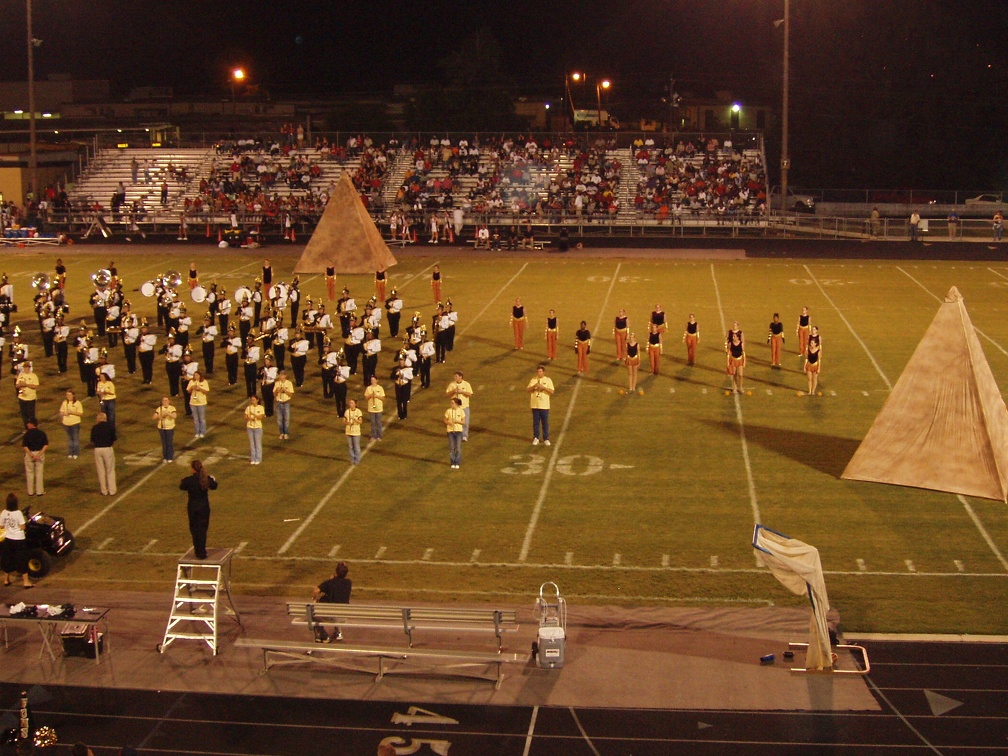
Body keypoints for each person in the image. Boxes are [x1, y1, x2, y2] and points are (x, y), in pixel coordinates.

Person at [179, 460, 217, 560]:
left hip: (192, 507)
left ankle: (198, 551)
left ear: (192, 469)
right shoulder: (205, 479)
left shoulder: (189, 480)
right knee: (202, 530)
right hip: (204, 507)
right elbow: (214, 486)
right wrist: (212, 479)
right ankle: (202, 551)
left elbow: (182, 486)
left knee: (194, 530)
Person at [311, 561, 351, 643]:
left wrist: (315, 599)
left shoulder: (330, 583)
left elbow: (316, 591)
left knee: (313, 615)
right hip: (344, 616)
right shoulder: (349, 583)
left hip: (332, 616)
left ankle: (324, 636)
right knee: (338, 607)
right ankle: (338, 632)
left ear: (336, 572)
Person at [1, 494, 32, 588]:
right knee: (22, 559)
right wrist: (17, 527)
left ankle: (6, 580)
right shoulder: (18, 513)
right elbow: (23, 526)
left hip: (8, 539)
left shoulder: (3, 512)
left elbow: (1, 526)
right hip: (19, 539)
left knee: (7, 558)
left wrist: (9, 527)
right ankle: (26, 582)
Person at [90, 412, 117, 497]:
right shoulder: (110, 427)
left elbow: (92, 439)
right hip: (107, 449)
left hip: (97, 449)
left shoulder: (94, 428)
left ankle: (104, 490)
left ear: (98, 419)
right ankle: (112, 490)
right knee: (110, 470)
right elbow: (114, 438)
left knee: (100, 471)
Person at [527, 364, 554, 446]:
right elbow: (528, 389)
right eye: (538, 371)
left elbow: (552, 391)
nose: (539, 373)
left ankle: (546, 438)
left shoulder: (548, 380)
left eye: (540, 371)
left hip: (544, 405)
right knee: (536, 422)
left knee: (545, 422)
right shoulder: (533, 380)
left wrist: (543, 388)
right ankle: (536, 437)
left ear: (543, 372)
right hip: (535, 405)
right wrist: (535, 386)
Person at [446, 371, 474, 441]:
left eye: (456, 376)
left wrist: (462, 392)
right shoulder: (452, 384)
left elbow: (470, 394)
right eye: (454, 376)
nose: (455, 377)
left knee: (465, 422)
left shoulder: (466, 384)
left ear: (460, 377)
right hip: (455, 407)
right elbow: (447, 394)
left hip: (464, 406)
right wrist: (454, 391)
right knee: (454, 422)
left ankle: (464, 436)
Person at [22, 421, 47, 496]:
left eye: (28, 423)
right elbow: (45, 445)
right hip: (39, 453)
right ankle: (39, 491)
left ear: (32, 424)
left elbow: (25, 446)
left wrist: (32, 455)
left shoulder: (27, 434)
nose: (27, 424)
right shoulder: (42, 433)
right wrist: (39, 455)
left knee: (29, 473)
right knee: (39, 473)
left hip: (30, 454)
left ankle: (30, 492)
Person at [60, 389, 83, 459]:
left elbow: (80, 413)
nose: (68, 396)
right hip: (66, 423)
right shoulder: (64, 403)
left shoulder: (77, 403)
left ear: (73, 395)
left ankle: (76, 453)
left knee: (75, 438)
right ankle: (70, 452)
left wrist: (72, 412)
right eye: (67, 395)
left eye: (69, 395)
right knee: (69, 439)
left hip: (75, 423)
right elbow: (61, 412)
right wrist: (64, 413)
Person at [15, 361, 39, 428]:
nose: (25, 369)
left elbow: (36, 386)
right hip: (22, 397)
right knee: (24, 414)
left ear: (29, 368)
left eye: (27, 367)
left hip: (30, 398)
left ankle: (33, 427)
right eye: (24, 367)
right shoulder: (21, 375)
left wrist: (26, 385)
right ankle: (26, 428)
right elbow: (16, 385)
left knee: (31, 415)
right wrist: (20, 384)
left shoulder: (33, 376)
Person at [154, 396, 177, 463]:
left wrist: (168, 413)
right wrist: (160, 415)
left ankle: (170, 457)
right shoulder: (159, 408)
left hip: (169, 428)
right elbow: (154, 417)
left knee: (169, 442)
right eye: (163, 400)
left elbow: (174, 416)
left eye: (166, 400)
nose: (165, 402)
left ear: (169, 401)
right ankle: (165, 457)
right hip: (161, 428)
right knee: (164, 443)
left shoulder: (172, 408)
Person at [187, 370, 209, 439]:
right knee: (195, 419)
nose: (196, 376)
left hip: (201, 403)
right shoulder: (191, 382)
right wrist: (192, 388)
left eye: (197, 375)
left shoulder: (204, 382)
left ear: (200, 376)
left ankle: (202, 432)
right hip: (193, 402)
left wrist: (200, 388)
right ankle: (197, 432)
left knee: (202, 419)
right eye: (195, 375)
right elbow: (188, 391)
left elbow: (206, 391)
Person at [725, 321, 746, 394]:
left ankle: (740, 387)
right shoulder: (731, 343)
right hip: (733, 359)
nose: (733, 337)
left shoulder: (741, 343)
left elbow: (743, 353)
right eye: (733, 336)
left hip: (740, 360)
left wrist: (744, 362)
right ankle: (734, 388)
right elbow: (728, 353)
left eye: (734, 336)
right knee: (734, 374)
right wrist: (728, 363)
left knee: (740, 375)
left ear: (737, 337)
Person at [444, 397, 465, 469]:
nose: (451, 404)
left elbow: (463, 422)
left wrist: (456, 421)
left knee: (458, 448)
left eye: (452, 403)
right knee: (452, 448)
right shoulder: (448, 411)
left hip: (458, 431)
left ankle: (457, 462)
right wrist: (448, 422)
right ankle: (452, 462)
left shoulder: (461, 411)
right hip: (450, 431)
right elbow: (445, 420)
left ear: (456, 404)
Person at [274, 369, 294, 439]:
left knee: (286, 419)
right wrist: (277, 391)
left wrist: (285, 390)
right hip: (279, 403)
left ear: (285, 376)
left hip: (286, 403)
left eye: (282, 375)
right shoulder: (277, 383)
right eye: (280, 375)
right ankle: (281, 433)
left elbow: (291, 394)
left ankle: (286, 433)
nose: (281, 376)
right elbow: (274, 394)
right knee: (279, 419)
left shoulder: (289, 383)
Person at [245, 395, 264, 465]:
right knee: (252, 444)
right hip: (250, 427)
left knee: (258, 444)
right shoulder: (248, 408)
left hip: (258, 428)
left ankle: (258, 458)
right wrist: (248, 418)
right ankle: (253, 458)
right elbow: (245, 417)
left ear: (257, 400)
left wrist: (254, 415)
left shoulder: (261, 408)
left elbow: (261, 417)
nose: (252, 401)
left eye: (253, 400)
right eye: (251, 400)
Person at [364, 375, 384, 440]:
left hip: (378, 408)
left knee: (378, 422)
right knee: (372, 423)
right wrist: (370, 395)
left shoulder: (380, 388)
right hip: (371, 408)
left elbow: (383, 398)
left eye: (373, 380)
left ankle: (379, 435)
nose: (372, 381)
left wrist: (376, 396)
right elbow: (366, 398)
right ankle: (373, 435)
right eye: (371, 380)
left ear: (376, 380)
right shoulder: (368, 388)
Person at [343, 398, 363, 465]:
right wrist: (347, 423)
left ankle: (357, 460)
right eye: (350, 403)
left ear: (355, 404)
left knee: (356, 446)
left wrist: (355, 419)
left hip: (356, 432)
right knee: (350, 446)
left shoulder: (358, 411)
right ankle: (352, 459)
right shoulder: (347, 411)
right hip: (348, 431)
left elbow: (360, 421)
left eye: (352, 403)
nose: (350, 404)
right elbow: (343, 421)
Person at [804, 325, 822, 395]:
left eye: (812, 343)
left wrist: (819, 368)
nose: (810, 344)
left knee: (814, 379)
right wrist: (804, 366)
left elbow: (819, 360)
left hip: (815, 366)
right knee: (809, 379)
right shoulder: (808, 350)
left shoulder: (818, 350)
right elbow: (806, 359)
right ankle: (809, 391)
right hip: (809, 365)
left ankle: (813, 391)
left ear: (815, 344)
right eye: (810, 343)